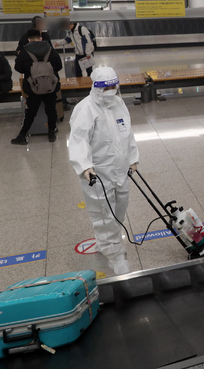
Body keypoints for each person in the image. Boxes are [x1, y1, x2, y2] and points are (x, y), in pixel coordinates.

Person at [68, 67, 138, 276]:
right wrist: (85, 166)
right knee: (103, 213)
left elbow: (127, 132)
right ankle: (115, 255)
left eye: (113, 86)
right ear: (96, 87)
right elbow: (78, 140)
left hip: (120, 168)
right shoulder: (85, 109)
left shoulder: (118, 103)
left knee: (120, 207)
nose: (110, 90)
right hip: (97, 173)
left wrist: (133, 159)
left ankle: (106, 240)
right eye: (106, 87)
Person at [11, 29, 63, 145]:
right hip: (50, 86)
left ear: (29, 39)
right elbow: (58, 66)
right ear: (40, 38)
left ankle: (22, 135)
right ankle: (51, 132)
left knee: (31, 111)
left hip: (32, 86)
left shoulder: (24, 52)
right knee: (51, 109)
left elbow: (18, 68)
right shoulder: (50, 50)